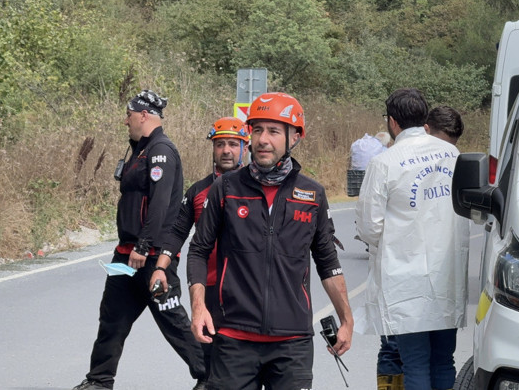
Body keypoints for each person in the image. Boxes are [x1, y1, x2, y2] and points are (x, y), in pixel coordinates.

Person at [186, 92, 354, 390]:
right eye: (257, 129)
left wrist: (346, 320)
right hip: (234, 338)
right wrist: (198, 307)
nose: (262, 139)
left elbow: (328, 263)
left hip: (292, 344)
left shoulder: (312, 194)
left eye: (274, 131)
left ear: (295, 138)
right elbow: (198, 250)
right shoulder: (225, 188)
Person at [73, 89, 207, 390]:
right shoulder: (141, 149)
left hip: (151, 256)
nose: (126, 121)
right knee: (111, 318)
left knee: (171, 319)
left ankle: (209, 376)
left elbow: (160, 204)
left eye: (129, 115)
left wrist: (143, 247)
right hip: (125, 255)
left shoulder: (161, 151)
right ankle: (99, 380)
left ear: (144, 115)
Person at [356, 88, 470, 390]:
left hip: (405, 281)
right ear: (425, 118)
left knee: (415, 363)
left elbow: (369, 228)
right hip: (447, 275)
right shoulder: (452, 154)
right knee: (444, 360)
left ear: (393, 122)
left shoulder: (385, 162)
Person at [148, 116, 250, 384]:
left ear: (245, 148)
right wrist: (160, 267)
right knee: (210, 356)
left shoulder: (257, 189)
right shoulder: (198, 190)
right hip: (209, 289)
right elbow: (177, 233)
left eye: (233, 144)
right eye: (219, 144)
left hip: (248, 291)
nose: (226, 150)